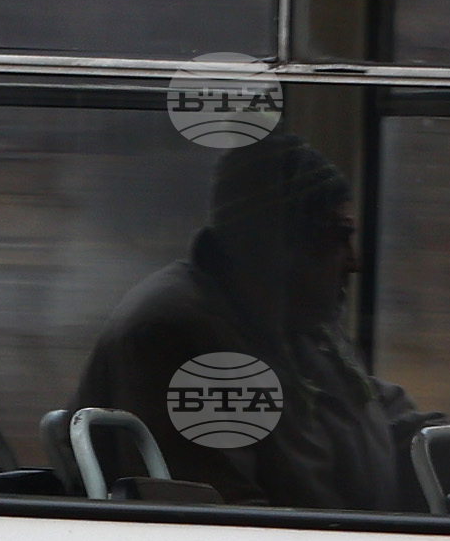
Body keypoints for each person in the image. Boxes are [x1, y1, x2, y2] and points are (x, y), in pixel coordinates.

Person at [76, 133, 429, 511]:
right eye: (338, 238)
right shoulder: (185, 340)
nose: (354, 262)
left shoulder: (300, 329)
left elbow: (381, 422)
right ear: (279, 246)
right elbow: (226, 515)